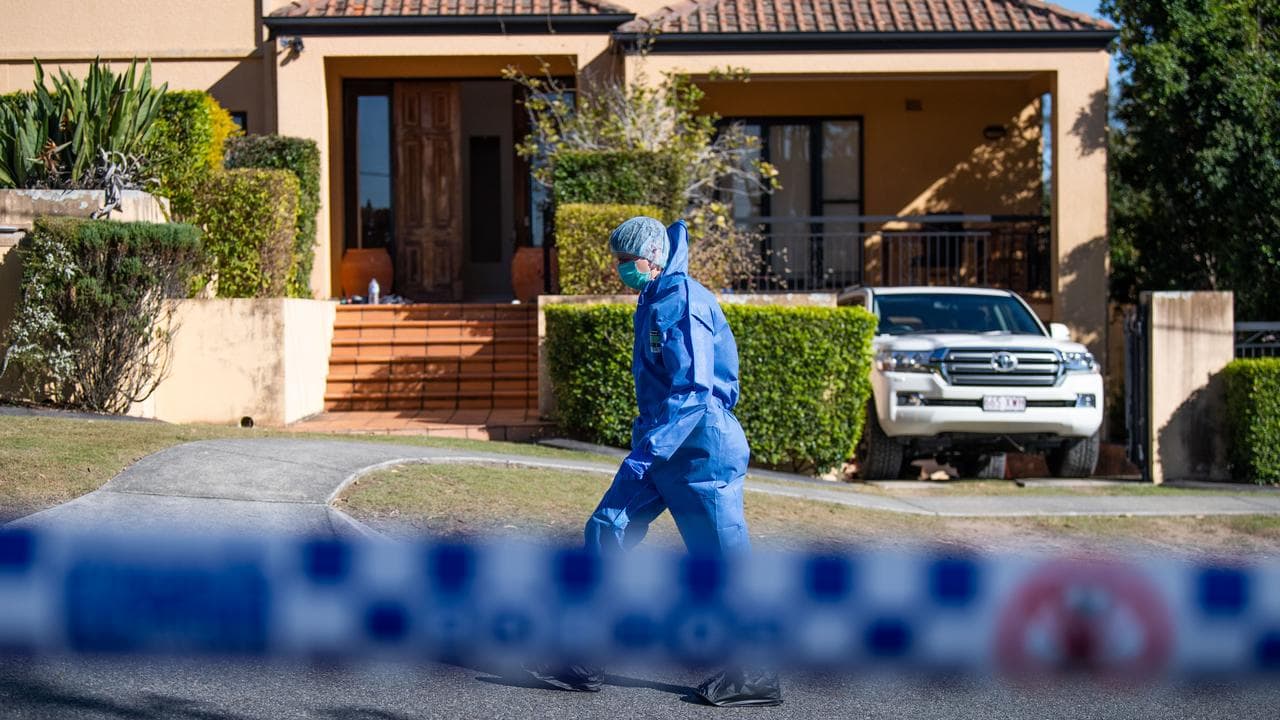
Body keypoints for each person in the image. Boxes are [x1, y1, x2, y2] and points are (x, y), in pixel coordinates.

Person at [524, 217, 782, 707]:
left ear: (652, 259)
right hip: (665, 446)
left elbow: (693, 389)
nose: (619, 268)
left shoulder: (683, 300)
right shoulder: (655, 296)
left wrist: (648, 453)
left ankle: (757, 672)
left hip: (702, 448)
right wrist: (651, 448)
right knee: (606, 530)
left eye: (625, 260)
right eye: (618, 260)